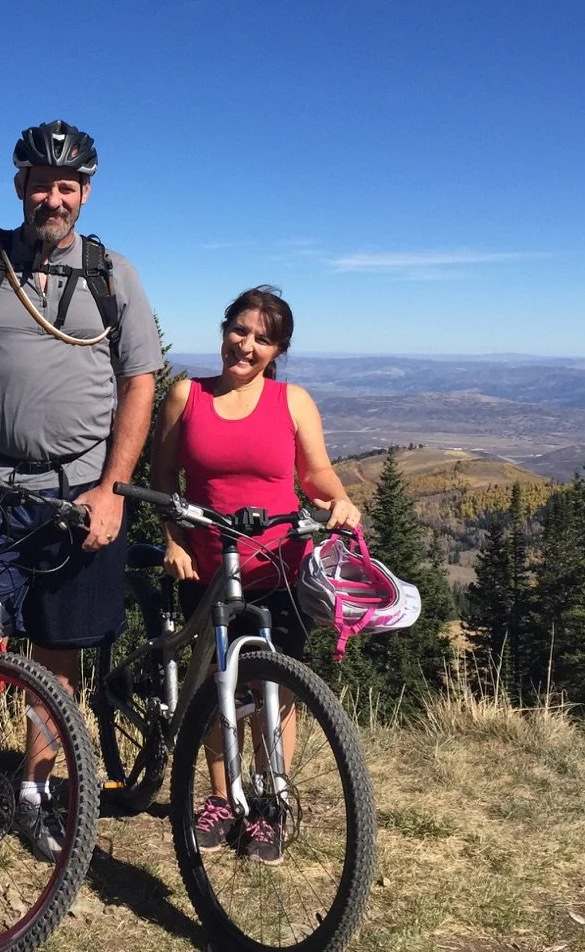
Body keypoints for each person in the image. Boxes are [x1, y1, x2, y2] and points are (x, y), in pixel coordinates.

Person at [0, 119, 162, 886]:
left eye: (68, 185)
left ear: (85, 193)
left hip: (80, 498)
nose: (53, 196)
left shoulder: (113, 275)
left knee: (58, 658)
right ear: (18, 184)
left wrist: (113, 491)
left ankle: (36, 789)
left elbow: (140, 383)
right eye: (41, 181)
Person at [149, 284, 360, 865]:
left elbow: (316, 474)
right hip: (208, 568)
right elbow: (163, 482)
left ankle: (270, 803)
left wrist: (339, 502)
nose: (246, 345)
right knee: (222, 686)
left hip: (279, 566)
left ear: (277, 350)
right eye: (239, 330)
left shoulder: (292, 403)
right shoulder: (185, 395)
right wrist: (172, 540)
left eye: (262, 339)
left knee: (276, 688)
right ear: (224, 330)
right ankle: (221, 798)